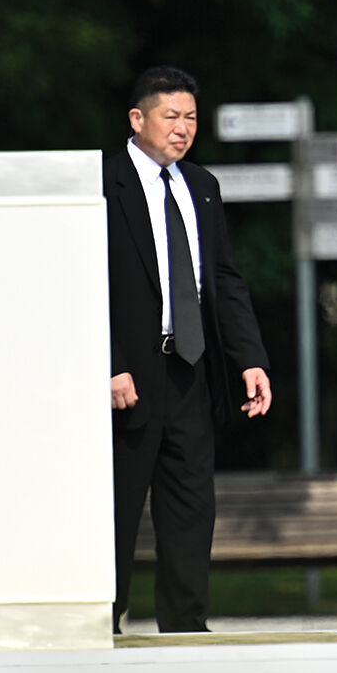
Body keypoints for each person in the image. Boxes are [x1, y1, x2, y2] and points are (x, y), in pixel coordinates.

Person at [105, 66, 272, 634]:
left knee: (191, 505)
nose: (183, 128)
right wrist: (110, 365)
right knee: (118, 506)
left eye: (191, 118)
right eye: (171, 116)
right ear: (138, 119)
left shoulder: (201, 184)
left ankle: (185, 626)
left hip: (191, 368)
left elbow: (222, 278)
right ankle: (104, 620)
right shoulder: (103, 183)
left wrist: (250, 359)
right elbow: (84, 281)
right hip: (128, 377)